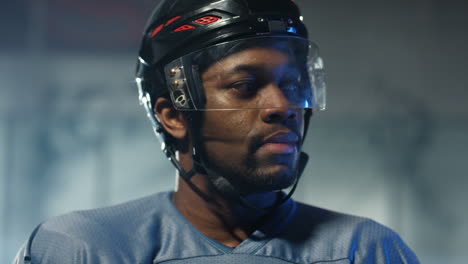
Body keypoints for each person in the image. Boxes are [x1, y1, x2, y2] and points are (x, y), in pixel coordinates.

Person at [13, 0, 420, 263]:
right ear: (173, 115)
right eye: (245, 87)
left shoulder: (363, 251)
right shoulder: (81, 249)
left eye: (292, 85)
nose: (282, 107)